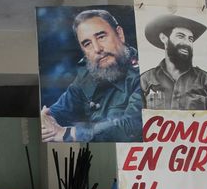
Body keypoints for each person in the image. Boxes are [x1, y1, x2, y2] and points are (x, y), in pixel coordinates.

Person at [41, 9, 142, 142]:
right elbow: (57, 111)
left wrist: (68, 133)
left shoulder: (146, 73)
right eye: (87, 44)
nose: (97, 49)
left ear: (119, 34)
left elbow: (130, 128)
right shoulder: (87, 76)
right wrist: (46, 121)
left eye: (101, 37)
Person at [140, 14, 207, 110]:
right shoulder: (145, 80)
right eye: (181, 36)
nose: (187, 43)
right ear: (163, 38)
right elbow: (138, 119)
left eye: (190, 39)